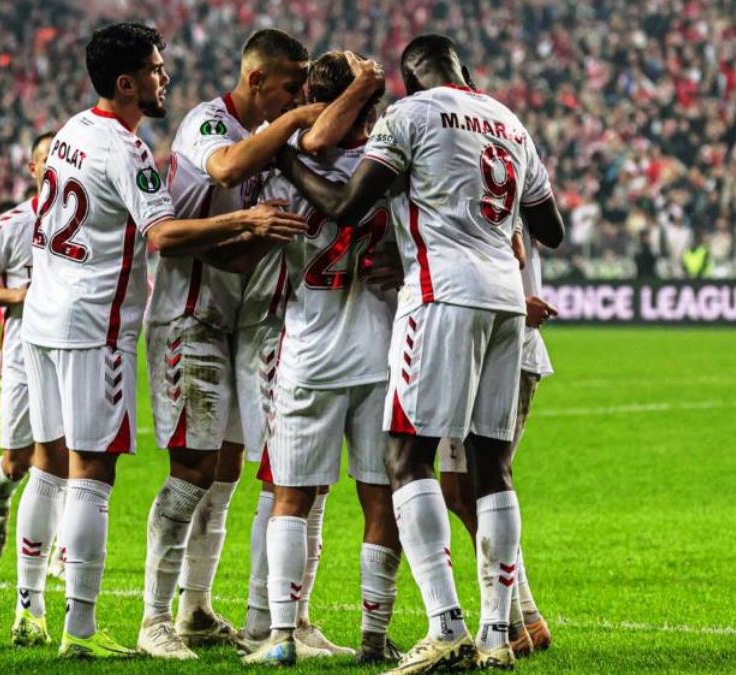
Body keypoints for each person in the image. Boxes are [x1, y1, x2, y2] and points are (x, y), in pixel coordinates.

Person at [274, 33, 564, 673]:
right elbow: (551, 229)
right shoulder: (509, 122)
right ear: (466, 70)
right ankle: (497, 635)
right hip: (506, 304)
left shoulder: (410, 114)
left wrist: (285, 161)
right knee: (492, 467)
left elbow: (346, 206)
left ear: (408, 80)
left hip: (440, 296)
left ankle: (445, 626)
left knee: (407, 458)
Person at [18, 22, 307, 660]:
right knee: (99, 470)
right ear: (127, 83)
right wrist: (248, 219)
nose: (164, 77)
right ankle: (117, 623)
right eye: (154, 68)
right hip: (113, 321)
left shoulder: (69, 132)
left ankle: (187, 608)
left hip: (50, 313)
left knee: (214, 467)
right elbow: (164, 235)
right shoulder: (137, 147)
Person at [137, 28, 376, 659]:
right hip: (191, 316)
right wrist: (294, 124)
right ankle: (154, 617)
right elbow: (225, 170)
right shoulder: (209, 123)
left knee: (261, 471)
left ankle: (245, 617)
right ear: (257, 80)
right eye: (292, 87)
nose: (300, 99)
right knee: (193, 472)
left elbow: (247, 252)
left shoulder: (282, 145)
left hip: (254, 324)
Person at [234, 51, 400, 666]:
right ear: (369, 107)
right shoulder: (394, 169)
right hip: (381, 352)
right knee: (380, 498)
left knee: (291, 498)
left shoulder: (284, 170)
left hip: (307, 351)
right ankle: (374, 637)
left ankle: (281, 636)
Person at [437, 223, 558, 661]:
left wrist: (513, 301)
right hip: (471, 344)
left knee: (482, 483)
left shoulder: (501, 194)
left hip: (505, 347)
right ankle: (523, 619)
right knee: (461, 490)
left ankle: (514, 623)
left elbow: (525, 245)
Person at [0, 131, 54, 564]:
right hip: (21, 358)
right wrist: (19, 295)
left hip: (73, 353)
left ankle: (60, 551)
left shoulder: (92, 221)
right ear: (32, 168)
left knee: (66, 457)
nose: (54, 166)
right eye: (46, 159)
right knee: (17, 463)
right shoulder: (12, 224)